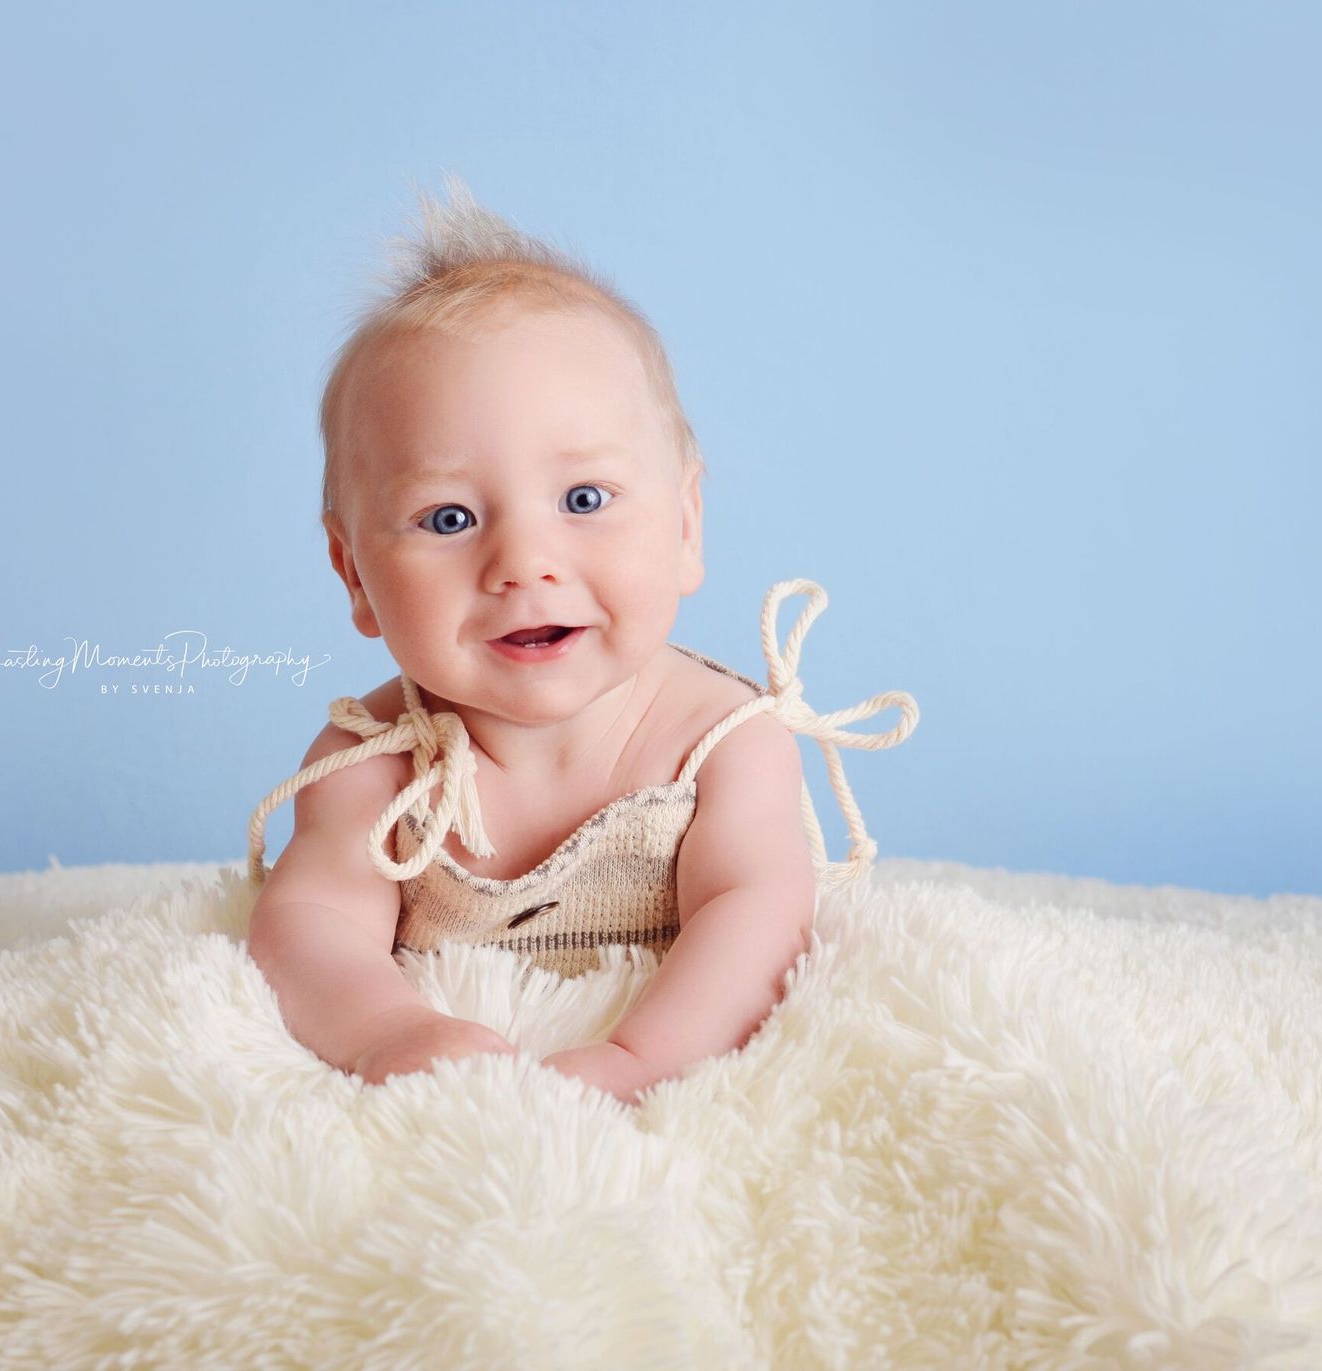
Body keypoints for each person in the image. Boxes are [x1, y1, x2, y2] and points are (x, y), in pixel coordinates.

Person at [244, 173, 918, 1105]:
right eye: (447, 518)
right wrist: (391, 1028)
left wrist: (638, 1059)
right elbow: (308, 920)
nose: (523, 562)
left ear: (686, 527)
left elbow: (758, 909)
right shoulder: (378, 767)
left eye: (584, 500)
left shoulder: (721, 743)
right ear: (354, 574)